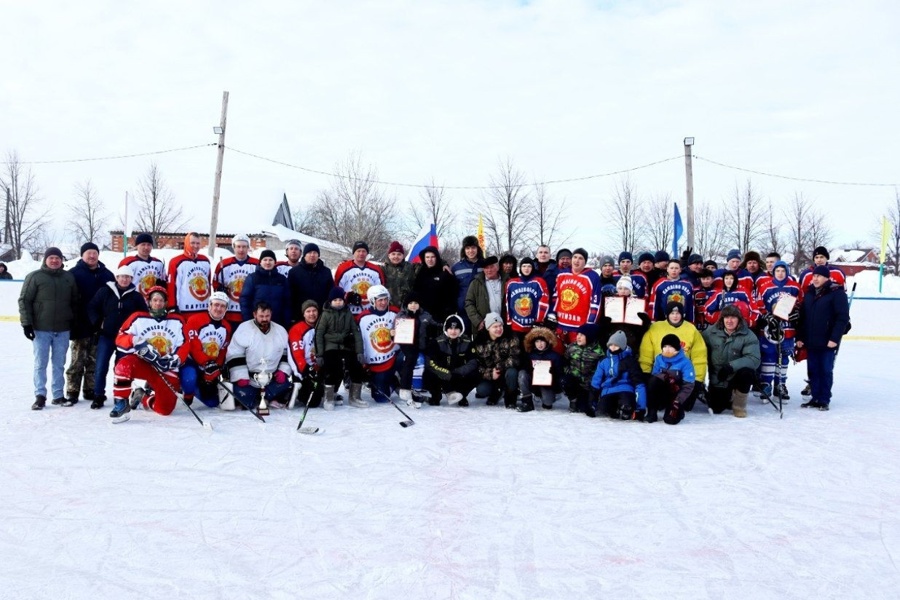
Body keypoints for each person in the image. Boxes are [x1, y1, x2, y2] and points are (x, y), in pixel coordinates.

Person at [109, 286, 189, 420]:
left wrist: (174, 360)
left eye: (161, 300)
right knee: (123, 366)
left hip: (165, 367)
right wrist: (135, 340)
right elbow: (120, 338)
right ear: (149, 302)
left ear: (165, 303)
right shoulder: (138, 318)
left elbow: (185, 344)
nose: (158, 303)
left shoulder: (177, 321)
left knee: (165, 410)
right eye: (155, 300)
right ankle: (121, 403)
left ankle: (143, 398)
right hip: (144, 363)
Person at [19, 247, 78, 410]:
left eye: (57, 258)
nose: (54, 261)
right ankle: (40, 395)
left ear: (61, 260)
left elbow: (75, 302)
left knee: (59, 364)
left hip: (63, 329)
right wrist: (27, 324)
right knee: (41, 363)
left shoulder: (68, 278)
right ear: (45, 260)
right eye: (51, 258)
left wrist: (72, 321)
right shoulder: (34, 277)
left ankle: (58, 395)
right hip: (41, 328)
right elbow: (24, 301)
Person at [88, 265, 148, 409]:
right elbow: (92, 307)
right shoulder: (105, 292)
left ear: (131, 279)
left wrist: (137, 333)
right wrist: (98, 322)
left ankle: (120, 397)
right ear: (116, 277)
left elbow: (144, 315)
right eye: (122, 276)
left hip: (125, 340)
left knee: (121, 369)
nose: (124, 279)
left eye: (128, 277)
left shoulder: (136, 296)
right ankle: (98, 395)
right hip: (107, 336)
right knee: (101, 366)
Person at [795, 265, 850, 411]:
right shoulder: (809, 293)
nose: (815, 278)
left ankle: (824, 399)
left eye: (818, 276)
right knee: (813, 370)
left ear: (826, 278)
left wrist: (835, 338)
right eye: (814, 276)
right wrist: (800, 337)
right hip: (811, 340)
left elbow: (842, 318)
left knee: (825, 370)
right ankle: (815, 397)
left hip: (828, 341)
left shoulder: (836, 293)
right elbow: (803, 318)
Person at [66, 241, 115, 405]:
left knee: (95, 360)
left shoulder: (107, 275)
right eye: (89, 253)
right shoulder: (73, 273)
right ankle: (72, 391)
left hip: (99, 325)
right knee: (77, 360)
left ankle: (90, 389)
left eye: (95, 253)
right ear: (82, 255)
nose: (92, 256)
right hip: (79, 323)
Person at [639, 302, 708, 412]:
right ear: (667, 314)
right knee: (657, 403)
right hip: (661, 377)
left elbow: (699, 357)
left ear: (682, 314)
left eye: (677, 313)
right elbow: (646, 354)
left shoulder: (691, 330)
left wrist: (698, 380)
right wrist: (646, 374)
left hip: (682, 377)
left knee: (685, 407)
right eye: (672, 313)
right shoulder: (655, 328)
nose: (675, 316)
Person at [226, 301, 292, 411]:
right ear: (254, 314)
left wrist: (283, 371)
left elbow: (287, 353)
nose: (264, 319)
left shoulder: (280, 331)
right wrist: (240, 375)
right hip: (249, 379)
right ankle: (256, 396)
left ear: (271, 314)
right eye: (261, 316)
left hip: (271, 378)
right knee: (245, 401)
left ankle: (268, 396)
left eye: (267, 316)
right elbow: (235, 353)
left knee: (287, 386)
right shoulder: (244, 329)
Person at [702, 304, 761, 417]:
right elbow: (698, 349)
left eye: (733, 317)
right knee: (717, 408)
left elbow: (753, 359)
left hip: (735, 378)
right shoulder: (710, 333)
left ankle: (739, 406)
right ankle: (727, 397)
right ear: (722, 319)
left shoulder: (748, 335)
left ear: (739, 319)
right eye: (726, 317)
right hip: (718, 380)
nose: (729, 321)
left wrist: (731, 366)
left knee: (747, 373)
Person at [755, 261, 802, 400]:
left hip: (787, 328)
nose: (780, 273)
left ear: (787, 271)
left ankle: (780, 385)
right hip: (769, 329)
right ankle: (766, 384)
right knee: (768, 356)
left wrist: (797, 312)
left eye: (783, 270)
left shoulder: (794, 286)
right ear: (773, 272)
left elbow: (800, 303)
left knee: (784, 356)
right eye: (777, 271)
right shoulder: (765, 286)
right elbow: (758, 304)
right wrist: (767, 315)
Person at [180, 291, 233, 409]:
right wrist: (207, 363)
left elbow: (223, 349)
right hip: (192, 362)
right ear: (209, 305)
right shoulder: (195, 320)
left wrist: (216, 367)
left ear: (226, 309)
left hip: (210, 366)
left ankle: (198, 386)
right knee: (189, 379)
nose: (218, 309)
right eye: (216, 305)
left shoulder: (227, 327)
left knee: (212, 403)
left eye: (222, 306)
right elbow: (193, 346)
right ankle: (188, 392)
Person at [315, 287, 366, 410]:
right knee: (333, 367)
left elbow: (356, 331)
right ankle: (329, 397)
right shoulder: (325, 314)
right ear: (330, 301)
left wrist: (359, 351)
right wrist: (319, 354)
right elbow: (319, 334)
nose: (338, 302)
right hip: (330, 346)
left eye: (340, 299)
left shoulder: (347, 313)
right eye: (335, 300)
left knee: (356, 365)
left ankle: (355, 397)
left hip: (345, 345)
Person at [588, 330, 647, 420]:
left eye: (616, 345)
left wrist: (641, 408)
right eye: (611, 345)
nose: (612, 348)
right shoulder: (603, 361)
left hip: (625, 389)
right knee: (602, 413)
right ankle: (612, 409)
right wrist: (592, 404)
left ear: (622, 346)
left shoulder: (630, 361)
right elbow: (596, 382)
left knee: (626, 405)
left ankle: (626, 409)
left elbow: (639, 384)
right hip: (608, 390)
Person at [423, 314, 480, 407]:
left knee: (475, 374)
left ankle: (462, 395)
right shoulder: (436, 342)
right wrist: (446, 373)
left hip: (458, 374)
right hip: (442, 374)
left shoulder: (468, 342)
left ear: (461, 330)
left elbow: (473, 362)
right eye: (450, 328)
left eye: (456, 328)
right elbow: (430, 363)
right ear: (446, 329)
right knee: (428, 373)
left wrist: (457, 372)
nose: (453, 331)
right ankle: (436, 395)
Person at [356, 284, 400, 403]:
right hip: (376, 363)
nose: (383, 303)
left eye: (385, 299)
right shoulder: (362, 318)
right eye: (380, 300)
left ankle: (405, 383)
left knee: (410, 358)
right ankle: (393, 382)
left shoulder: (396, 312)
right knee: (380, 398)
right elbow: (359, 339)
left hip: (394, 357)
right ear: (372, 301)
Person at [394, 291, 438, 407]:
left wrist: (443, 327)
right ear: (406, 304)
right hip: (407, 346)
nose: (413, 305)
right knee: (410, 360)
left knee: (431, 361)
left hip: (422, 345)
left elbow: (435, 325)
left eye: (416, 303)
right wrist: (392, 333)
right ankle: (405, 387)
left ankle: (428, 389)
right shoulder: (401, 316)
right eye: (411, 303)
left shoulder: (425, 316)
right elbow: (394, 332)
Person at [552, 248, 602, 343]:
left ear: (585, 262)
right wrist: (552, 313)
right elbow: (556, 296)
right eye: (575, 257)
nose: (577, 260)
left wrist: (590, 323)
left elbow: (596, 303)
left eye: (580, 258)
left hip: (579, 328)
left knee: (576, 355)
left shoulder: (592, 277)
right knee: (559, 353)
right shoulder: (562, 274)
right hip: (561, 324)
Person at [473, 312, 521, 408]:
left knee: (512, 372)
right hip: (491, 376)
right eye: (495, 327)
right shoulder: (480, 341)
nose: (499, 329)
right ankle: (497, 392)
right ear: (488, 328)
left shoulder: (510, 336)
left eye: (500, 326)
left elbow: (515, 358)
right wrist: (490, 373)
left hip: (506, 372)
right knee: (482, 390)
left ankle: (511, 398)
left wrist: (500, 367)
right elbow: (477, 365)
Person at [646, 333, 697, 424]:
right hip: (663, 391)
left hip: (676, 395)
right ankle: (652, 412)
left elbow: (688, 385)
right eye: (665, 346)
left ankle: (678, 411)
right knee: (652, 381)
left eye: (670, 346)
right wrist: (666, 377)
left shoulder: (686, 362)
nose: (667, 349)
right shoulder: (659, 358)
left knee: (670, 420)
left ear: (677, 348)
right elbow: (654, 376)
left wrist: (678, 400)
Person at [214, 233, 259, 325]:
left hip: (249, 313)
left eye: (244, 246)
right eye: (238, 246)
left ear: (248, 247)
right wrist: (219, 290)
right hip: (229, 313)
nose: (241, 250)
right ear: (233, 247)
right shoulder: (223, 264)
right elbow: (215, 285)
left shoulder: (256, 264)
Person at [287, 299, 324, 409]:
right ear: (303, 313)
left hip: (319, 367)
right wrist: (306, 370)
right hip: (304, 372)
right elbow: (296, 355)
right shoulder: (297, 329)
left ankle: (330, 392)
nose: (312, 314)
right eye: (308, 311)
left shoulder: (322, 325)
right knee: (313, 402)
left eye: (314, 310)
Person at [240, 249, 291, 327]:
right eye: (265, 260)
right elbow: (245, 299)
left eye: (271, 260)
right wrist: (248, 320)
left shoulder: (282, 279)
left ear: (275, 262)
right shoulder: (252, 278)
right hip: (257, 322)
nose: (268, 262)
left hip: (277, 322)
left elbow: (287, 301)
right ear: (260, 262)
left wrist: (286, 321)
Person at [517, 326, 562, 411]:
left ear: (547, 342)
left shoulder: (555, 356)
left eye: (542, 341)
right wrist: (530, 369)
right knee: (522, 374)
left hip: (547, 385)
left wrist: (552, 374)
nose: (539, 344)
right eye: (537, 341)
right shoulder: (529, 355)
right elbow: (524, 369)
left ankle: (547, 397)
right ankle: (527, 401)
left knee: (547, 403)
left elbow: (560, 374)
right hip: (533, 382)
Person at [334, 241, 386, 315]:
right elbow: (336, 289)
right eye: (358, 251)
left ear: (367, 253)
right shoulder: (343, 268)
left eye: (364, 251)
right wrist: (348, 297)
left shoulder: (376, 269)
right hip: (349, 311)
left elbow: (381, 290)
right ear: (354, 253)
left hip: (370, 311)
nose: (361, 253)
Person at [167, 232, 211, 317]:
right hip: (185, 309)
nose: (195, 246)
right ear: (187, 243)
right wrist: (172, 306)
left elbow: (208, 284)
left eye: (198, 243)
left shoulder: (205, 261)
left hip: (204, 309)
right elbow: (172, 286)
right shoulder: (176, 262)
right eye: (192, 243)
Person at [562, 323, 605, 413]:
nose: (578, 337)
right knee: (566, 381)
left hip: (588, 384)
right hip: (574, 380)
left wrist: (592, 381)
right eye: (578, 334)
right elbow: (565, 361)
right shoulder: (572, 347)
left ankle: (585, 400)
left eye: (582, 335)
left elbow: (601, 369)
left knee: (583, 408)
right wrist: (568, 372)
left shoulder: (598, 351)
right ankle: (573, 400)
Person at [288, 242, 335, 322]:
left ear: (318, 255)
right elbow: (290, 295)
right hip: (301, 315)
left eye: (315, 253)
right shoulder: (294, 272)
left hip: (322, 314)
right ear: (304, 255)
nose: (312, 255)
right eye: (309, 253)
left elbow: (331, 292)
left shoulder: (326, 271)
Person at [411, 245, 458, 322]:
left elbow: (453, 294)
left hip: (441, 316)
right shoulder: (419, 272)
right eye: (427, 257)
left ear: (437, 258)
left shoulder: (445, 272)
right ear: (424, 258)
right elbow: (415, 292)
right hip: (423, 315)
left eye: (433, 257)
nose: (430, 259)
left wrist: (449, 312)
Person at [504, 257, 550, 334]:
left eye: (529, 266)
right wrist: (508, 321)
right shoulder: (511, 283)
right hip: (516, 324)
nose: (526, 269)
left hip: (533, 325)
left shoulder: (539, 282)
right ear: (520, 268)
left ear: (532, 268)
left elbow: (544, 302)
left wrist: (539, 320)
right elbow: (507, 303)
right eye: (524, 266)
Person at [465, 256, 507, 331]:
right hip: (484, 326)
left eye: (491, 267)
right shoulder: (476, 283)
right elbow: (469, 303)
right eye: (486, 268)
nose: (489, 270)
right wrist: (477, 321)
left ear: (497, 267)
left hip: (504, 325)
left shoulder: (507, 281)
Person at [119, 233, 166, 298]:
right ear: (136, 246)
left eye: (149, 245)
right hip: (134, 300)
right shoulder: (128, 263)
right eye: (143, 244)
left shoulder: (158, 263)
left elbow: (164, 282)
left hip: (154, 302)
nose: (146, 247)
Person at [451, 235, 485, 325]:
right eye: (467, 248)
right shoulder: (456, 267)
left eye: (473, 247)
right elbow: (452, 289)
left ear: (477, 249)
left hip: (482, 309)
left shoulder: (485, 265)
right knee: (465, 337)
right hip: (463, 309)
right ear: (464, 250)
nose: (471, 251)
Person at [383, 240, 417, 306]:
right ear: (389, 255)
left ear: (403, 256)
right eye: (393, 254)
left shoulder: (411, 267)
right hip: (388, 307)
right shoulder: (383, 269)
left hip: (406, 307)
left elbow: (429, 264)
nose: (396, 256)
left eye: (399, 254)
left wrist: (443, 264)